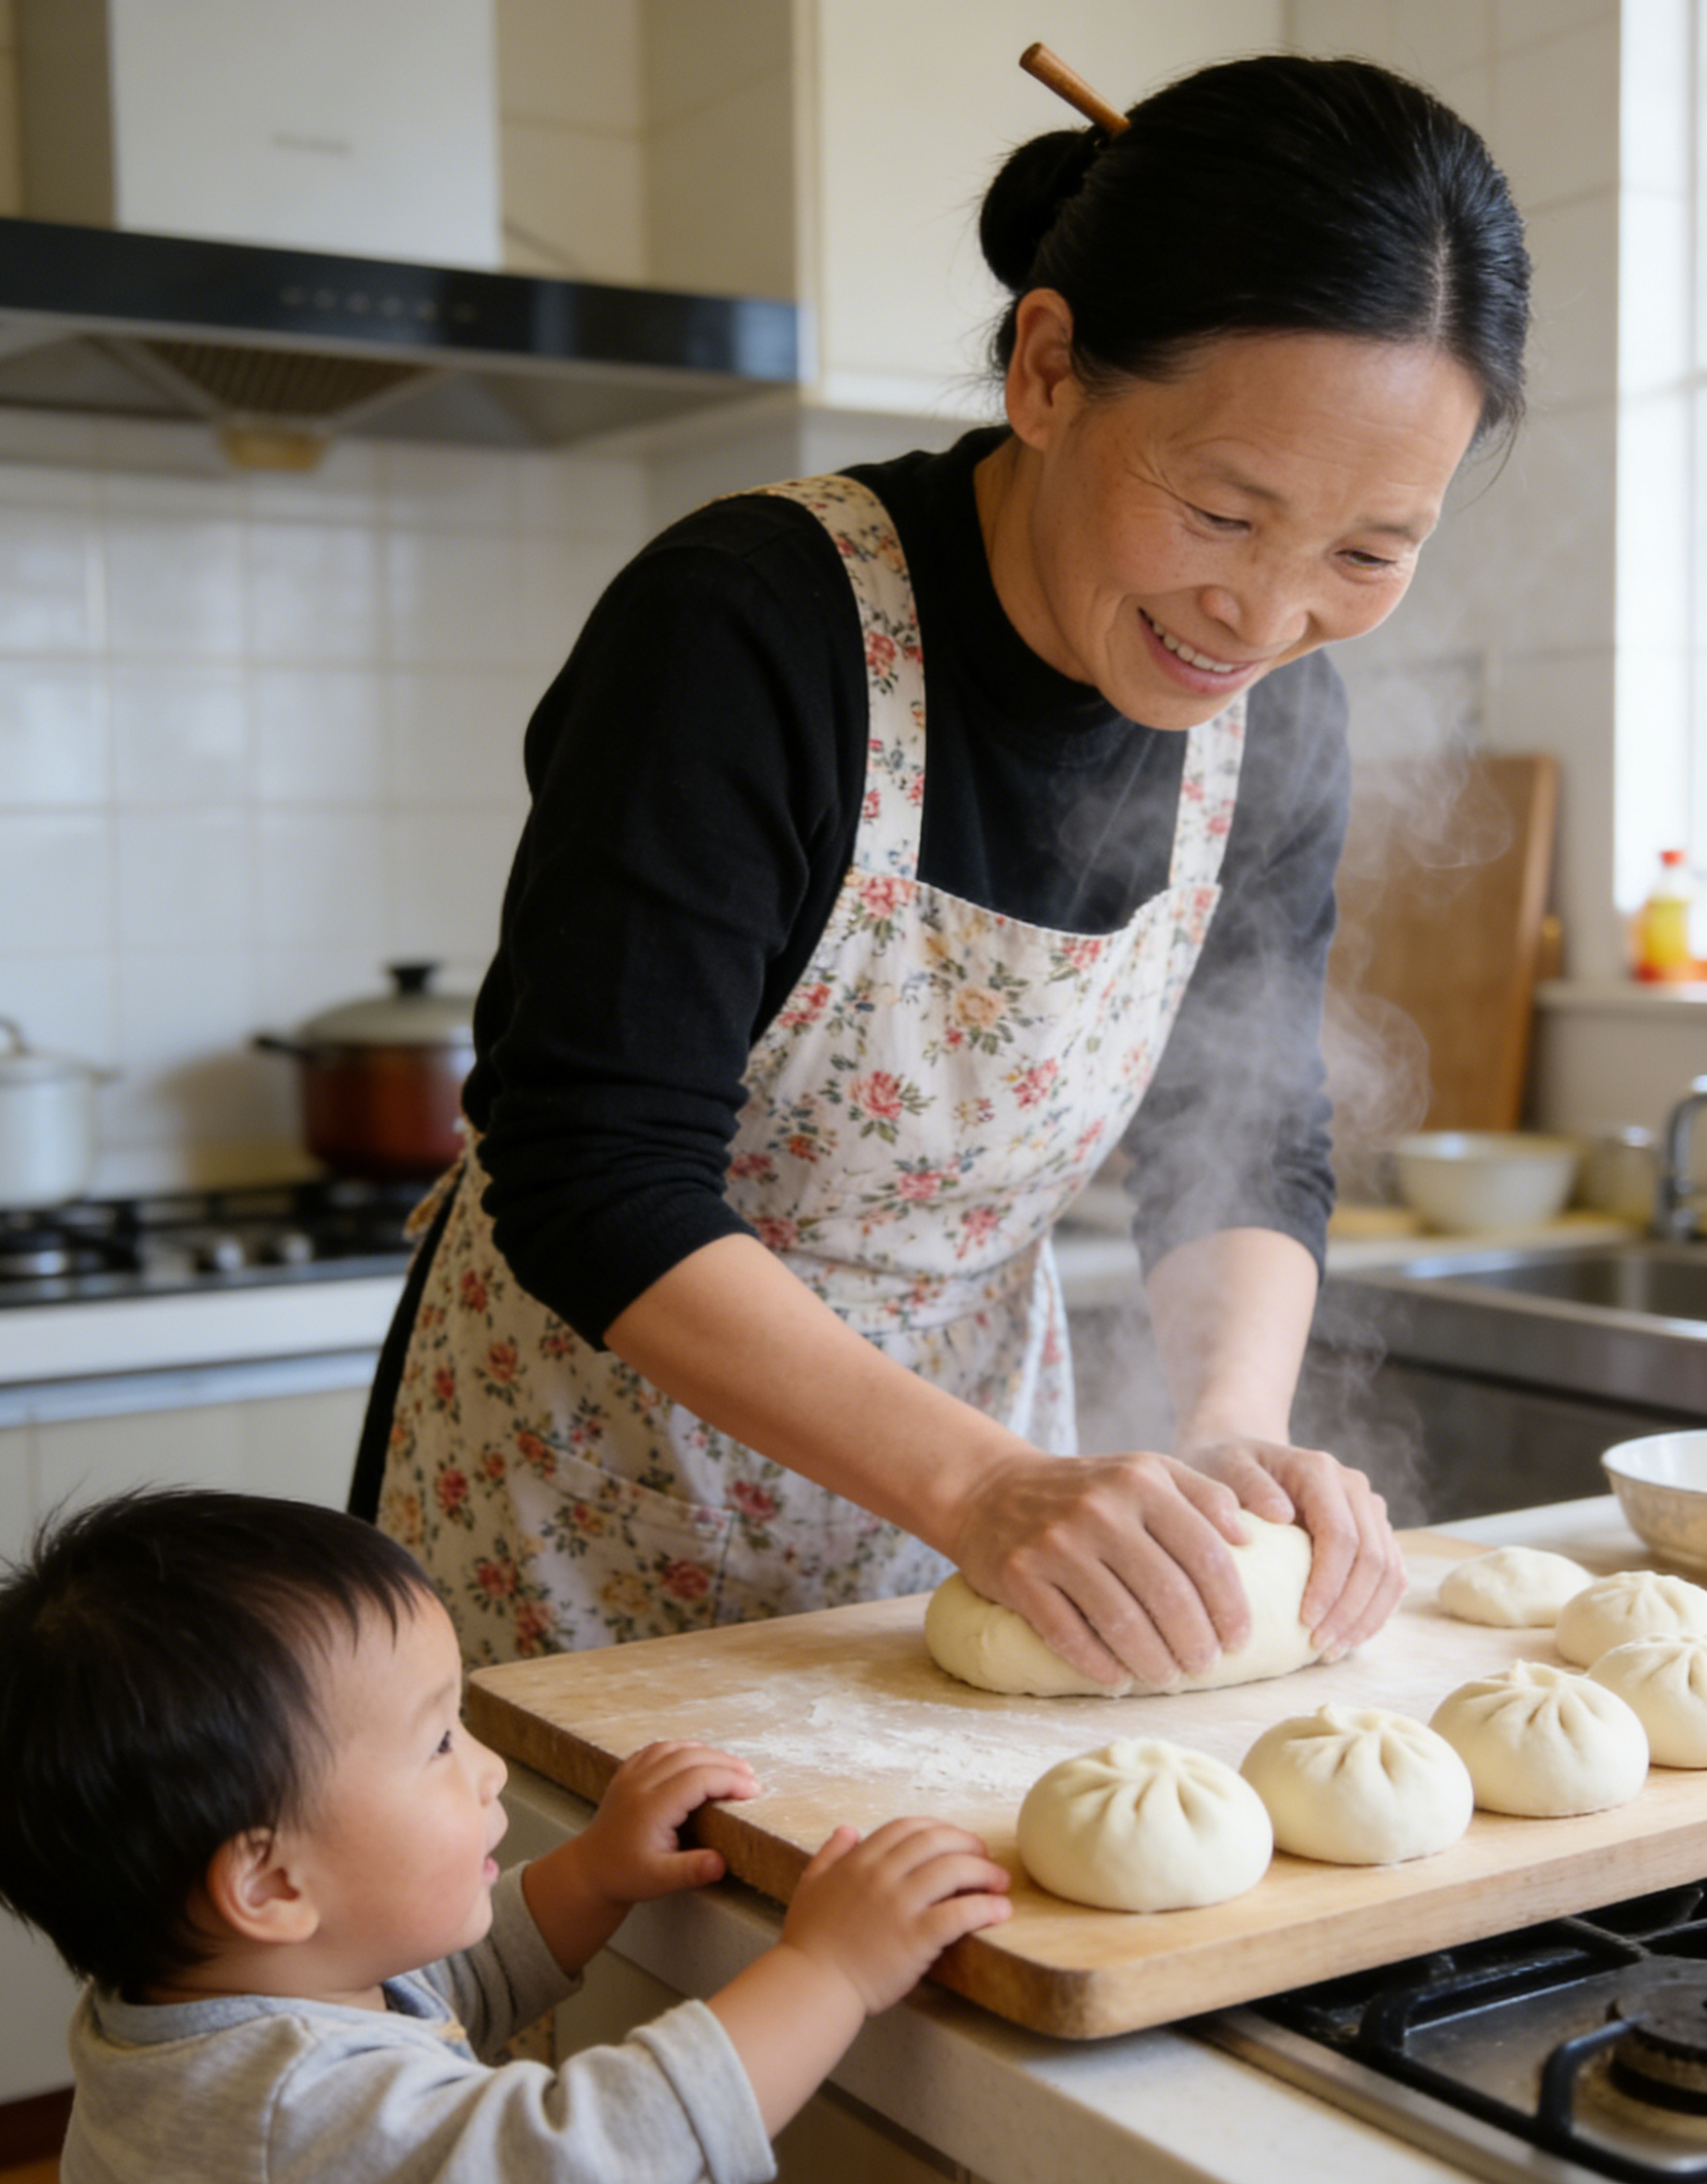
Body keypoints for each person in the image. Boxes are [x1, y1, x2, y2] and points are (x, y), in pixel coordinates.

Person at [354, 53, 1531, 1684]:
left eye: (1363, 552)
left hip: (982, 1512)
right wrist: (980, 1480)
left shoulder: (1278, 718)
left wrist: (1230, 1430)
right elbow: (590, 1161)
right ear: (1047, 368)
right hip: (589, 1500)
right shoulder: (747, 628)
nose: (1259, 620)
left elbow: (1240, 1131)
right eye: (1215, 511)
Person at [0, 1488, 1012, 2184]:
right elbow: (593, 2151)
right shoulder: (287, 2104)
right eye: (439, 1739)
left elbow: (448, 1989)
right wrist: (829, 1968)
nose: (487, 1764)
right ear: (267, 1884)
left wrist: (594, 1871)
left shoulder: (234, 1990)